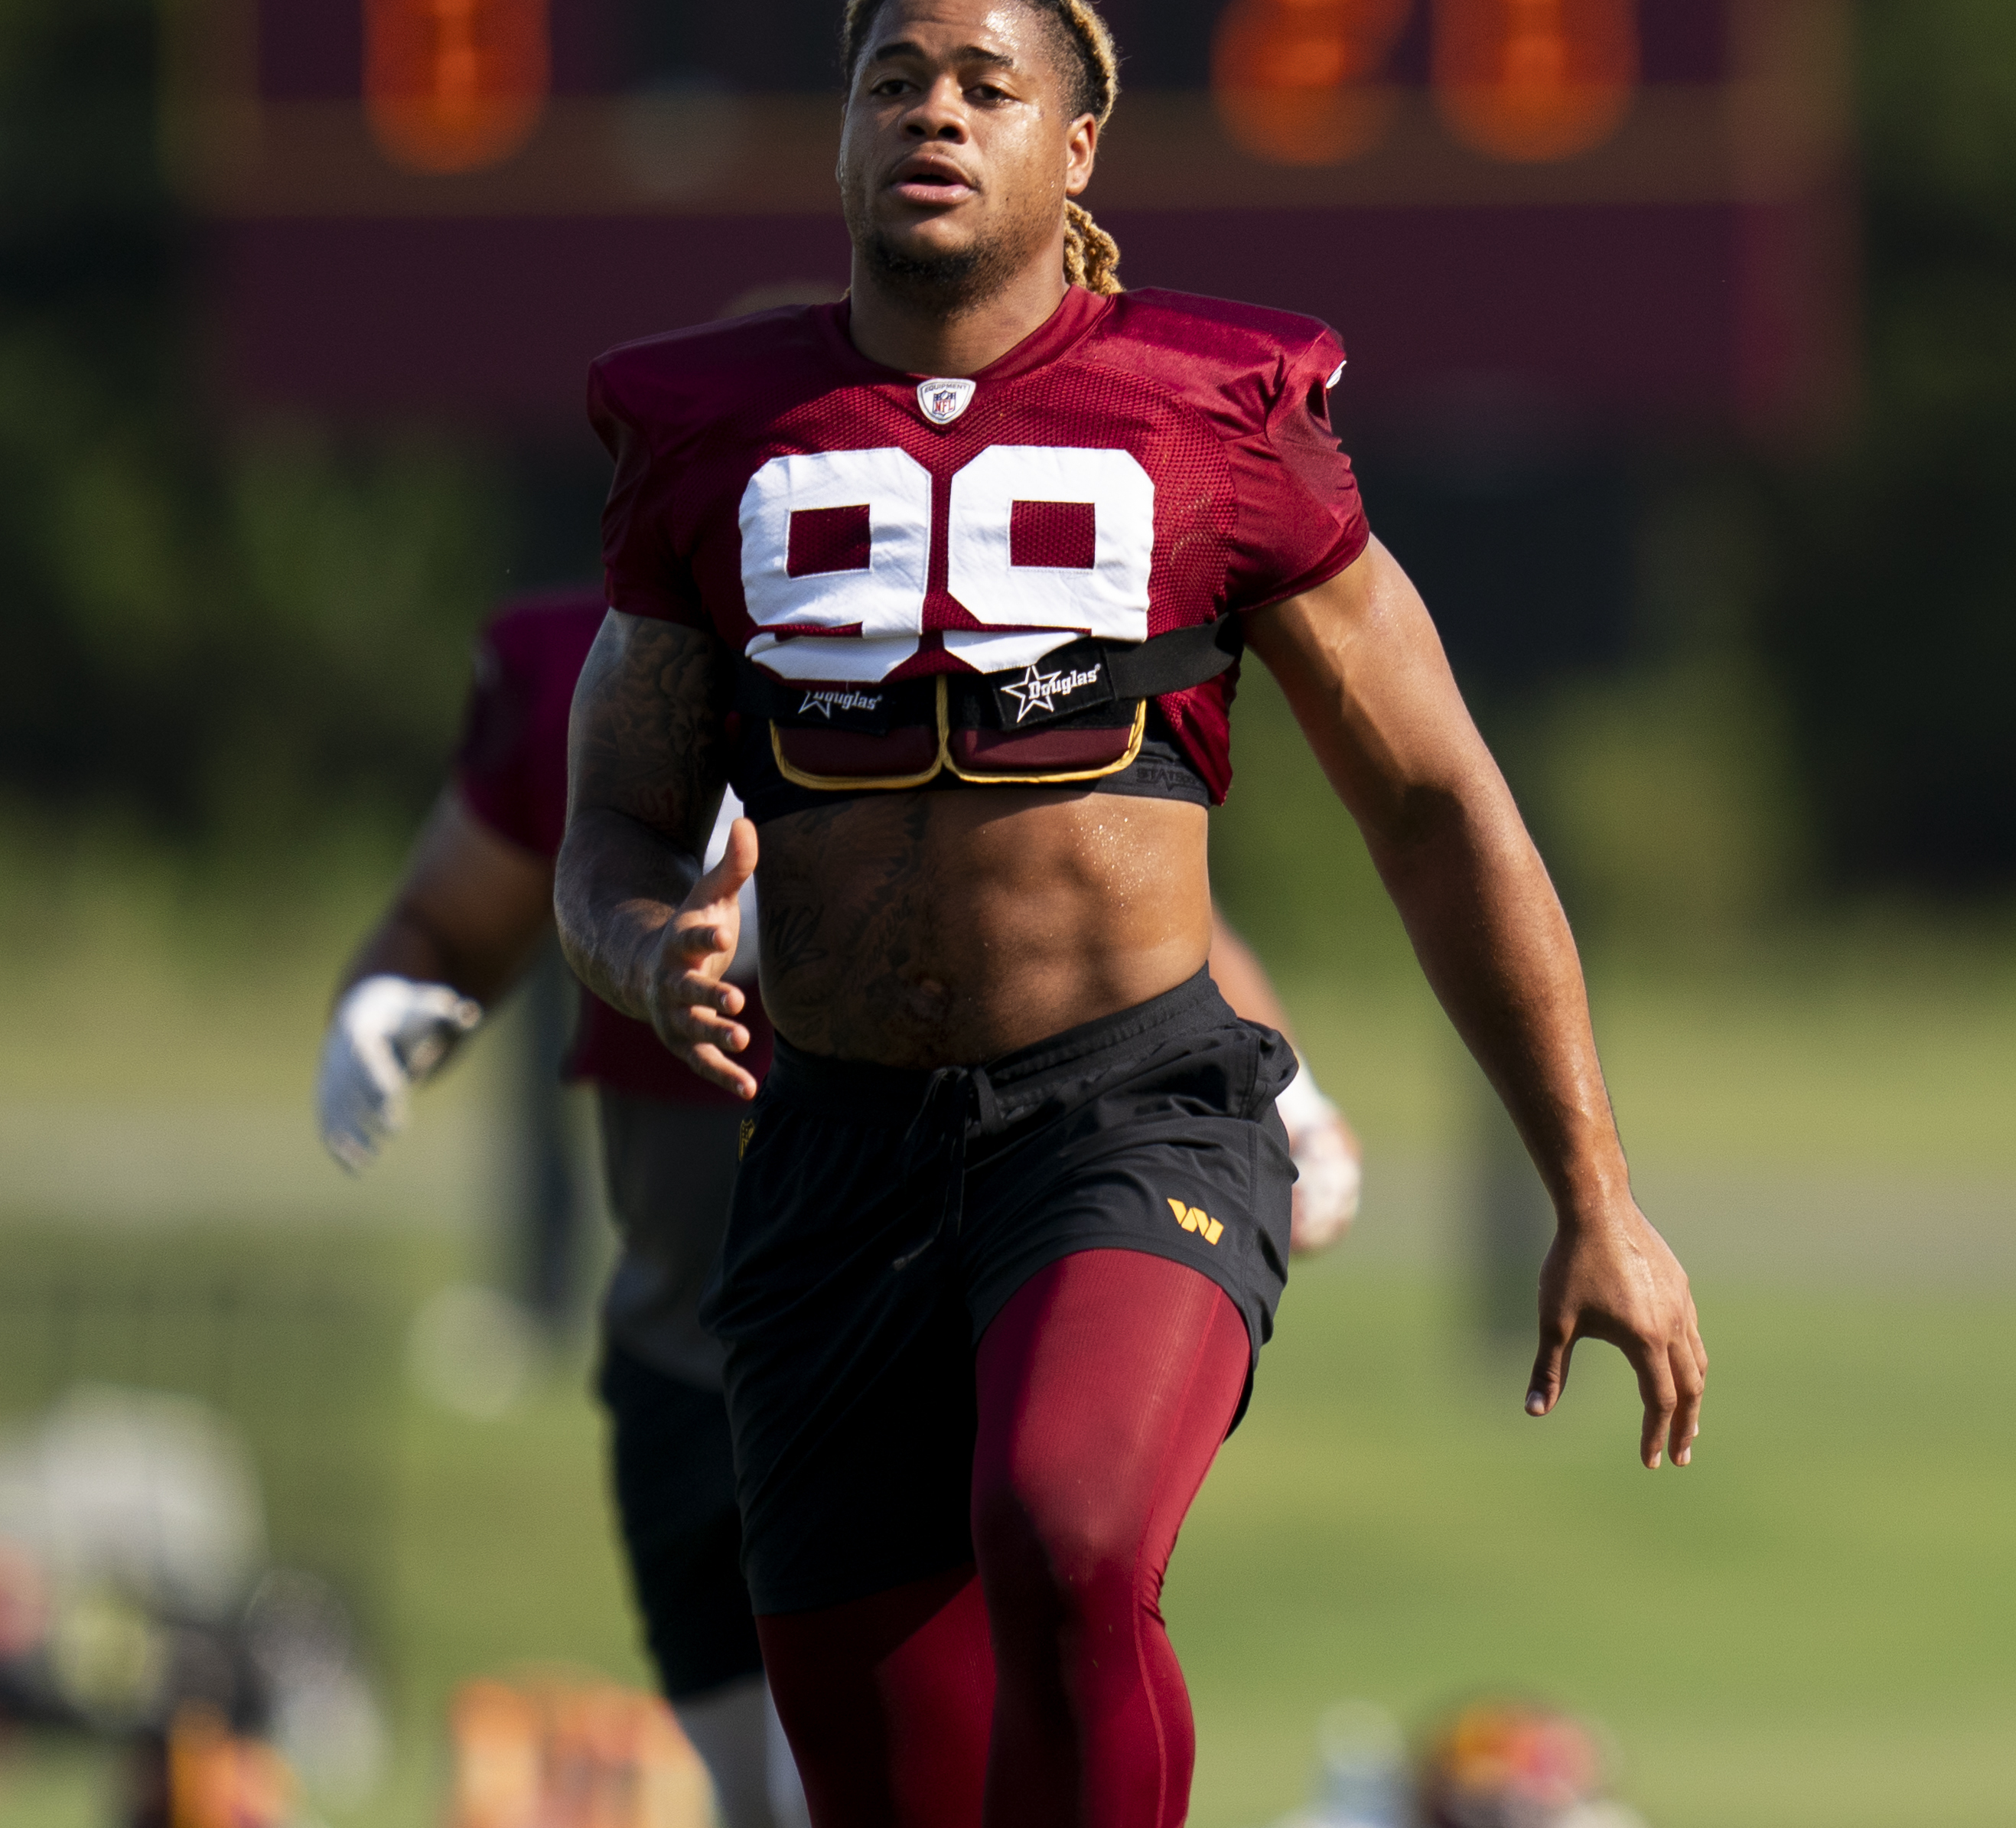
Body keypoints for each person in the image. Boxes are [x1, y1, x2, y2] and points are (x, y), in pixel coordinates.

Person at [551, 0, 1705, 1828]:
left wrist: (1596, 1189)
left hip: (1125, 1111)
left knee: (1069, 1524)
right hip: (832, 1161)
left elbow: (1439, 804)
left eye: (988, 86)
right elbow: (609, 823)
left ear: (1075, 147)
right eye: (892, 80)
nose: (933, 111)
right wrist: (631, 948)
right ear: (838, 135)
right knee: (882, 1766)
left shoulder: (1216, 410)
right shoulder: (712, 436)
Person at [315, 587, 1365, 1828]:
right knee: (761, 1791)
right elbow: (461, 908)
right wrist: (384, 998)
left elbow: (1126, 886)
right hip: (696, 1333)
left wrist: (1287, 1089)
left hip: (925, 1281)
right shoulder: (585, 667)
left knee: (993, 1651)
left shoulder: (932, 617)